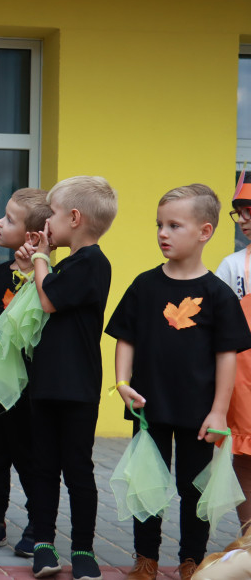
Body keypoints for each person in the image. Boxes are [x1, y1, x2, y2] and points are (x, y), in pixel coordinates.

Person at [108, 184, 251, 580]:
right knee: (147, 484)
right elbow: (125, 338)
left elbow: (227, 356)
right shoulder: (144, 285)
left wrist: (219, 409)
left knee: (195, 490)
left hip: (199, 410)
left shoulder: (218, 295)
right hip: (148, 405)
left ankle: (191, 559)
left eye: (174, 225)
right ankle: (145, 558)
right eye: (159, 225)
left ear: (204, 232)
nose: (162, 233)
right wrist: (122, 383)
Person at [15, 176, 117, 580]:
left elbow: (49, 299)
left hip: (77, 386)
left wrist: (40, 257)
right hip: (46, 383)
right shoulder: (71, 262)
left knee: (77, 468)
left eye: (52, 215)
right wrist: (35, 263)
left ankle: (83, 549)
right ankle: (43, 544)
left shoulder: (93, 262)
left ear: (74, 218)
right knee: (44, 466)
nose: (46, 225)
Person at [0, 188, 51, 556]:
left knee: (30, 454)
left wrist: (35, 267)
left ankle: (37, 523)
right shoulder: (0, 272)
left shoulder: (47, 276)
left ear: (33, 236)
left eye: (9, 219)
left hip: (30, 384)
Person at [214, 171, 251, 530]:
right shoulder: (233, 266)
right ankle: (248, 535)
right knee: (244, 454)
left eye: (250, 210)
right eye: (239, 211)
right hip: (243, 380)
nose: (243, 219)